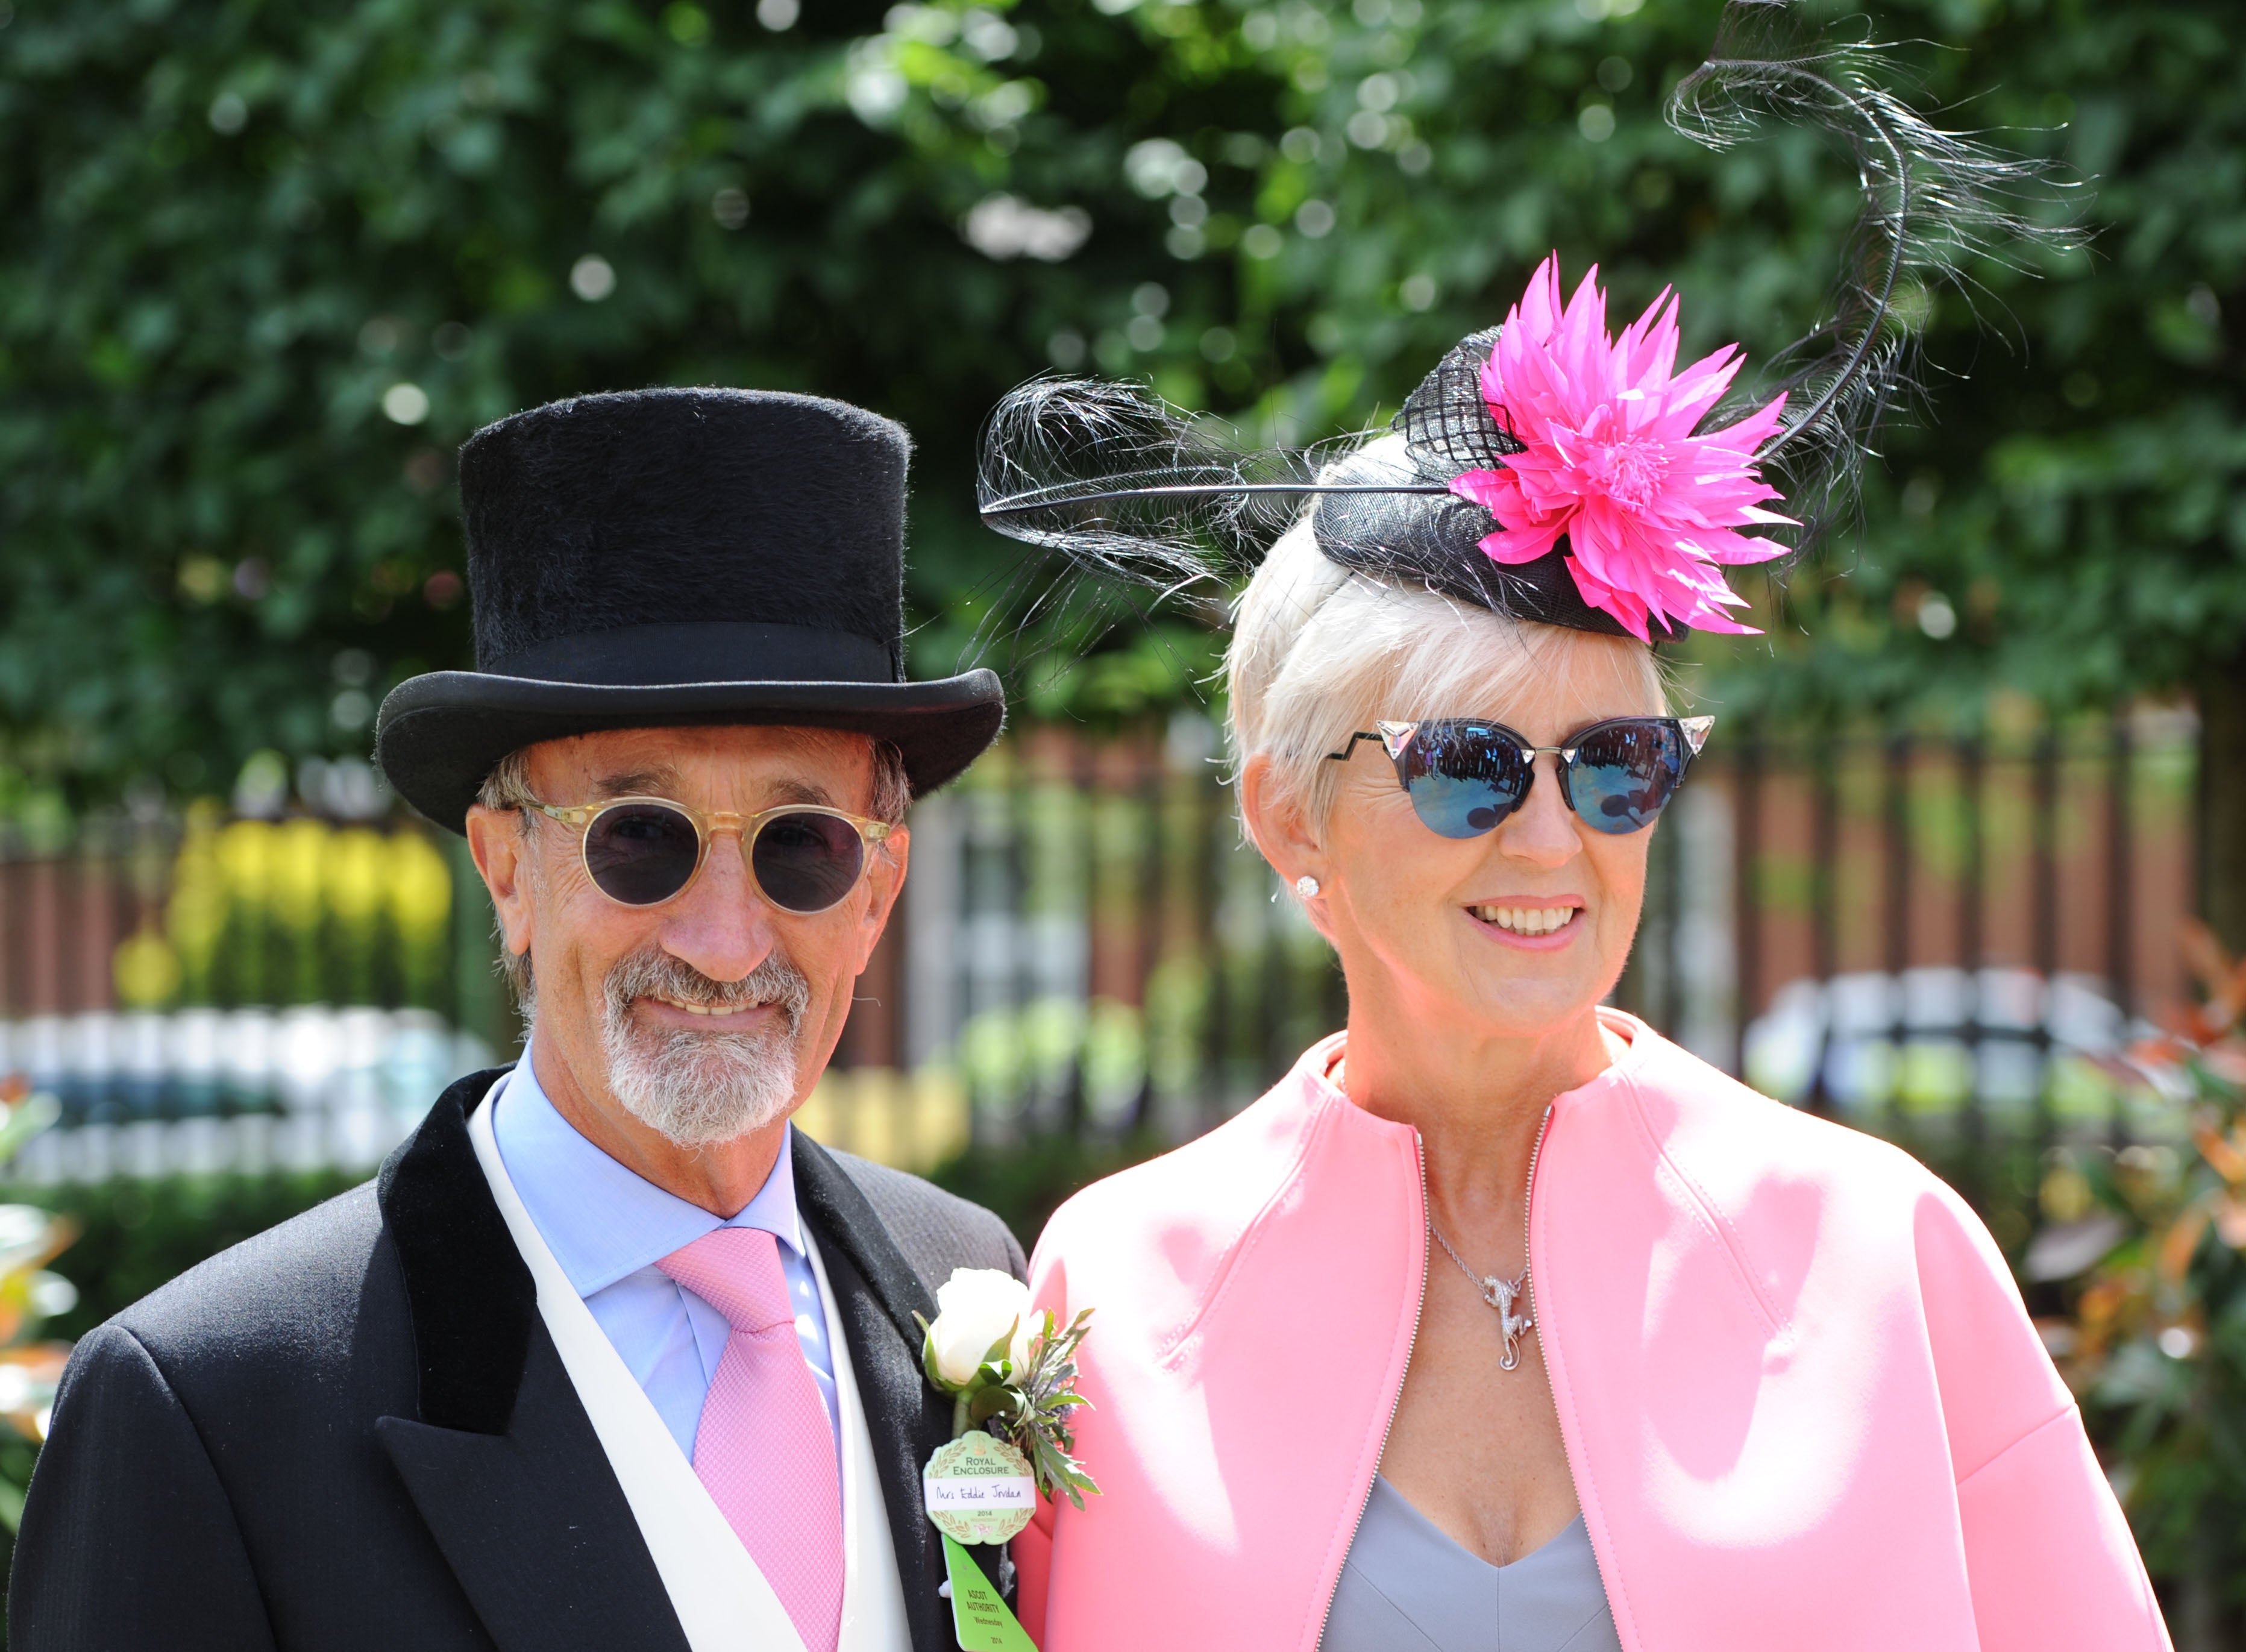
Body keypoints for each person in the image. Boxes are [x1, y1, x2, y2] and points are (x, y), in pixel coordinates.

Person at [983, 251, 2173, 1650]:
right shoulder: (1113, 1284)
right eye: (1470, 765)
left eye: (1616, 763)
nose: (1553, 840)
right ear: (1287, 809)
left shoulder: (1881, 1247)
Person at [11, 388, 1020, 1652]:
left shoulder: (960, 1286)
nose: (723, 941)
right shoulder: (210, 1406)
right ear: (505, 867)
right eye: (636, 838)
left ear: (877, 888)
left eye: (799, 845)